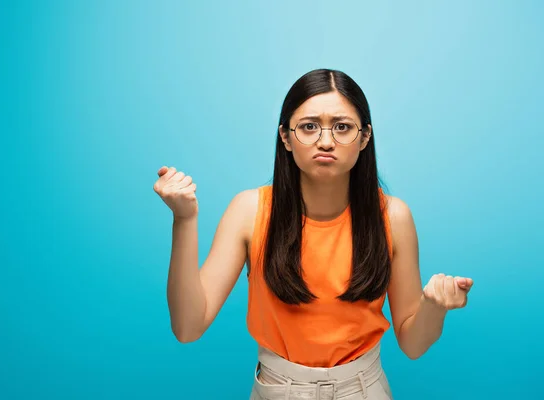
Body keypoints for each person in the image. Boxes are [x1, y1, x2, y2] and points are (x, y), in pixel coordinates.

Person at [153, 68, 474, 400]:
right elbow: (188, 327)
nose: (325, 141)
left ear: (364, 137)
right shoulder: (249, 211)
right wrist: (184, 219)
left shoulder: (393, 217)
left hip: (365, 389)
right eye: (308, 127)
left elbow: (412, 344)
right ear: (286, 137)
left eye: (342, 127)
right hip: (277, 389)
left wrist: (434, 306)